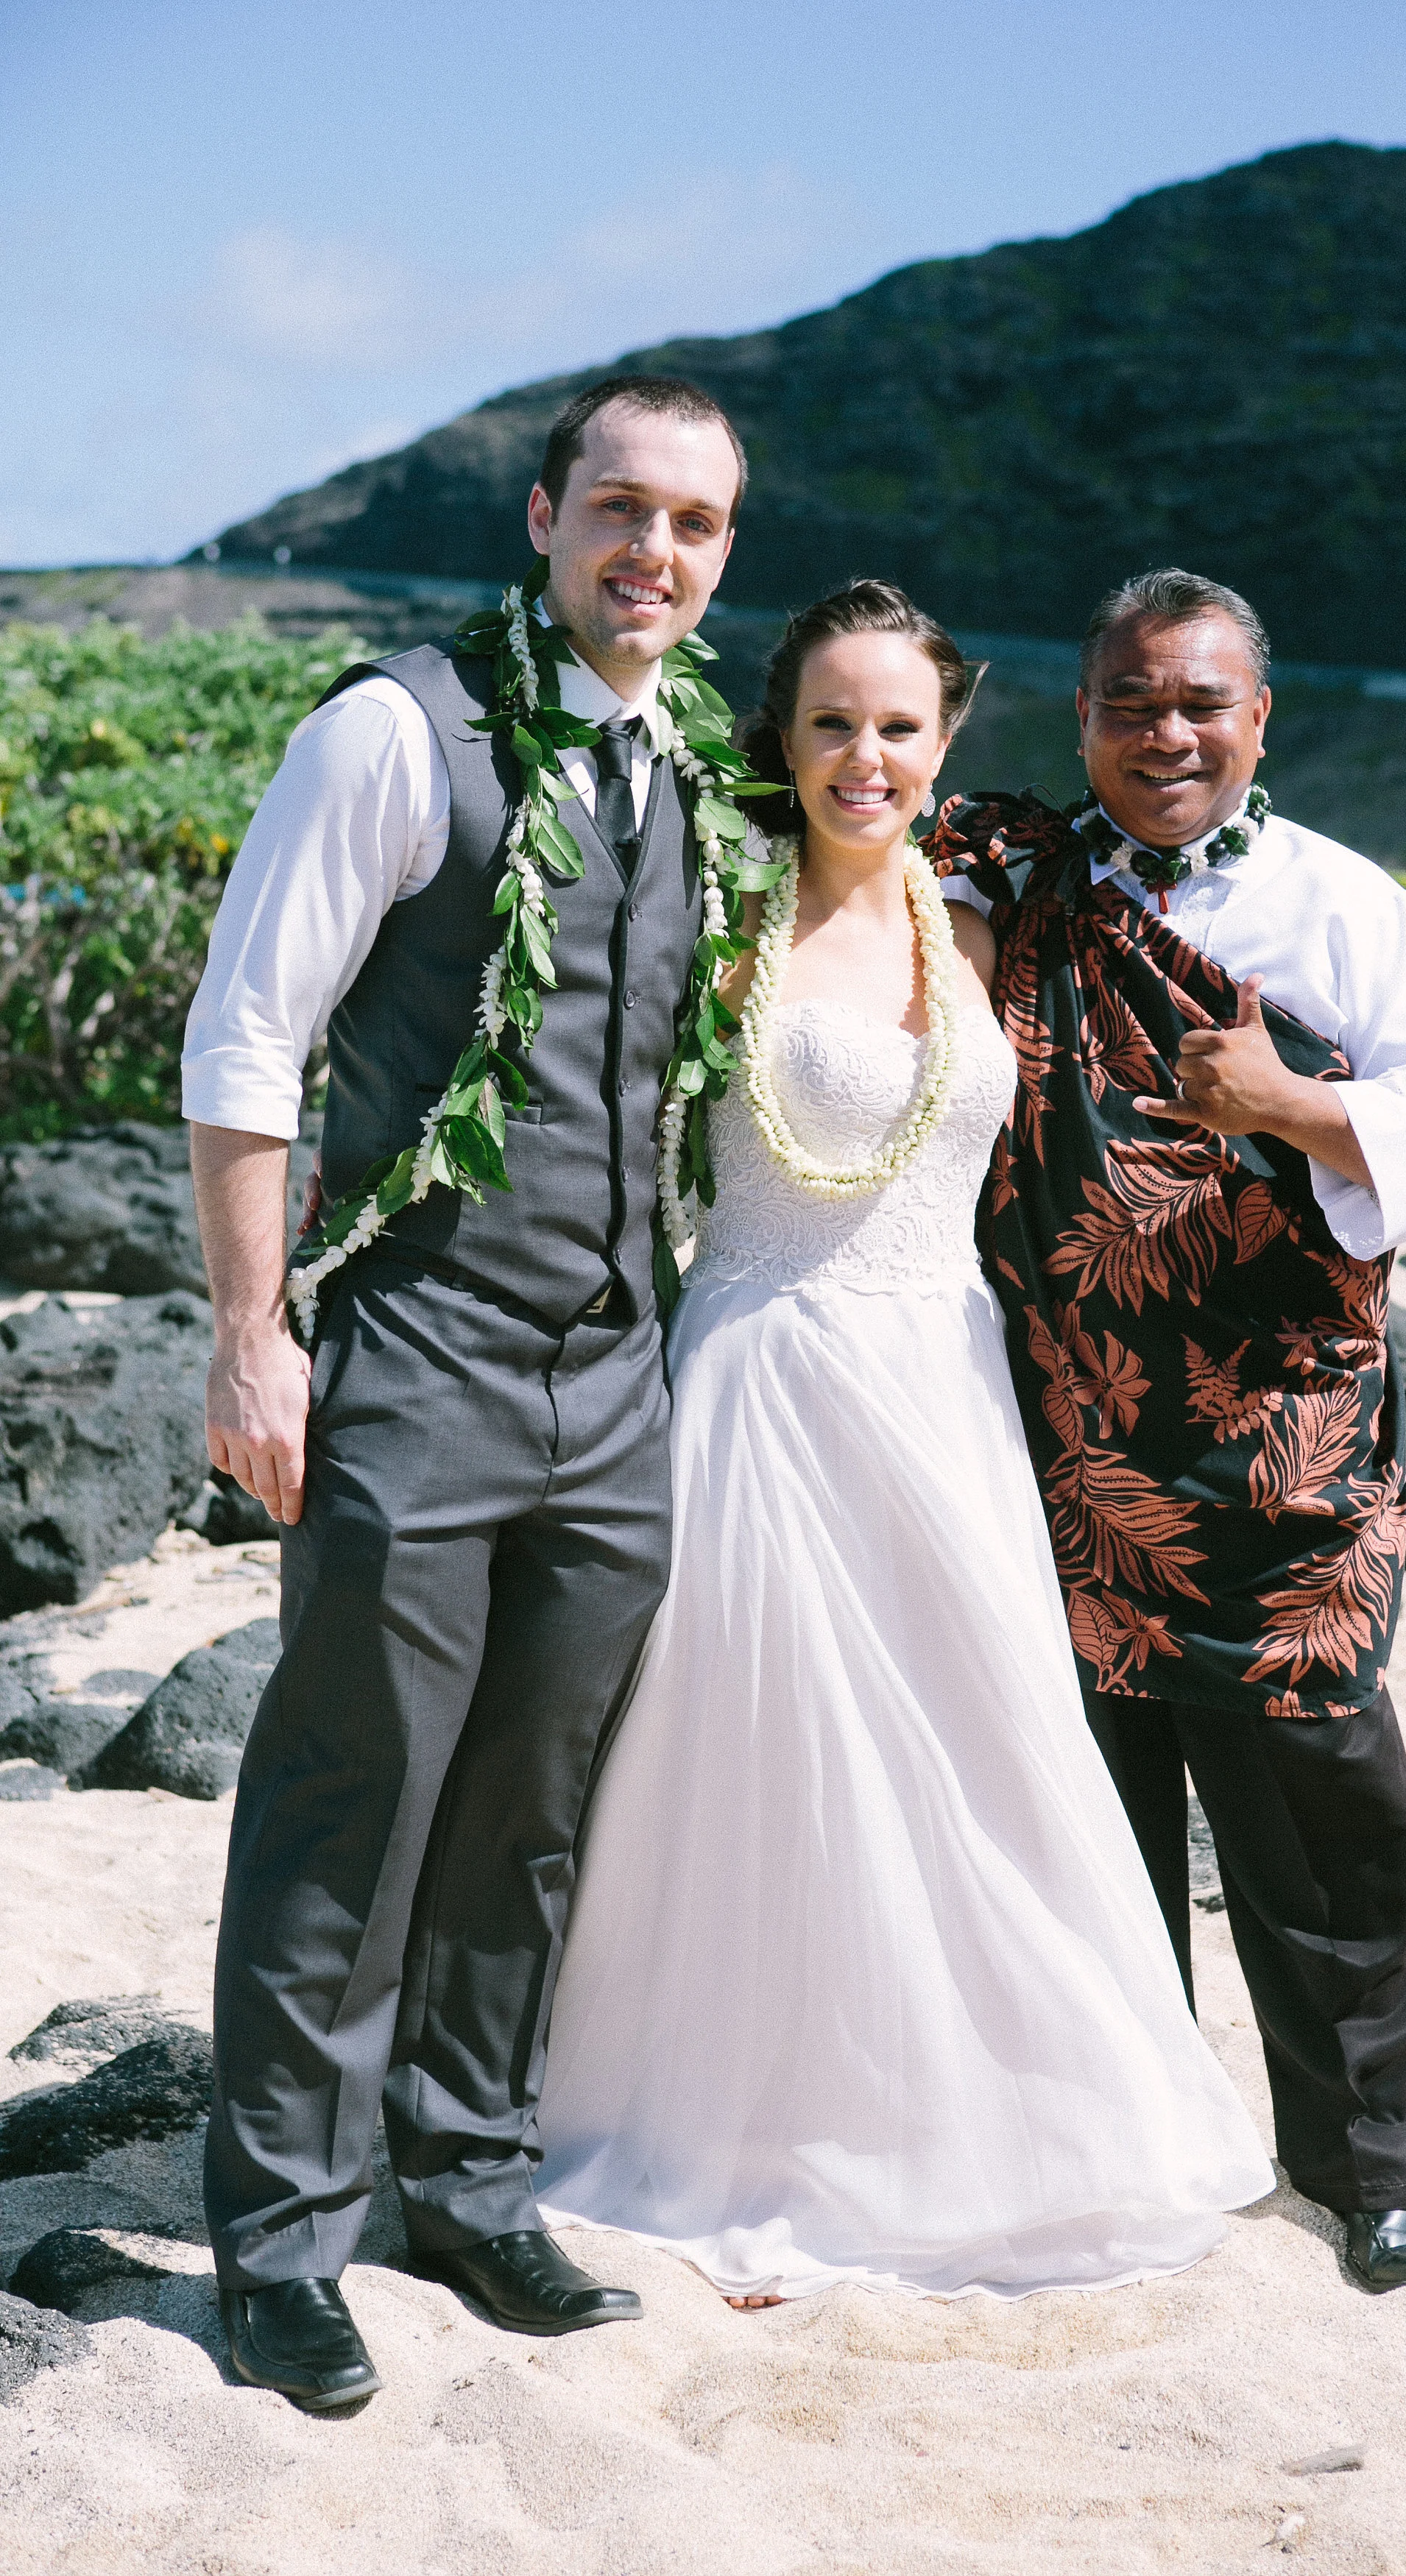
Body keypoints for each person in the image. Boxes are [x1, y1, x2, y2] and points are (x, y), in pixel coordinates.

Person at [531, 580, 1274, 2307]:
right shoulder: (718, 922)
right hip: (764, 1374)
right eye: (826, 724)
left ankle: (993, 2125)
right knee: (765, 1770)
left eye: (894, 726)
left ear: (943, 745)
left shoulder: (981, 928)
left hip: (943, 1388)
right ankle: (745, 2140)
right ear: (777, 744)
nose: (861, 758)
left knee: (981, 1758)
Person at [180, 376, 749, 2410]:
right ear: (541, 513)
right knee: (354, 1791)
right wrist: (255, 1336)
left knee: (526, 1809)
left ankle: (472, 2176)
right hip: (412, 1348)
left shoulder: (700, 767)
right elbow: (250, 1042)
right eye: (619, 508)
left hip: (616, 1373)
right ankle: (281, 2236)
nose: (652, 552)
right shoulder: (394, 732)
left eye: (692, 524)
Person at [930, 567, 1406, 2293]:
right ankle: (1120, 2146)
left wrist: (1289, 1105)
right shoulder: (1010, 885)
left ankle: (1372, 2171)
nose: (1162, 731)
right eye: (1125, 699)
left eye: (1197, 702)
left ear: (1260, 716)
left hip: (1280, 1433)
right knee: (1083, 1808)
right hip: (1061, 1427)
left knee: (1322, 1801)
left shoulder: (1343, 903)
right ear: (1079, 714)